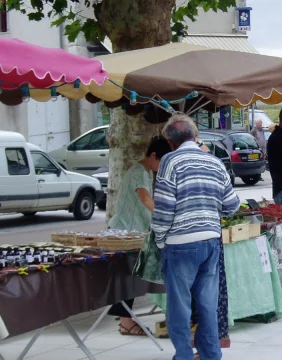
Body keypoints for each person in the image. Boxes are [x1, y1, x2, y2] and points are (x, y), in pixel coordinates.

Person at [152, 114, 240, 360]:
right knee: (207, 305)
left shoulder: (170, 161)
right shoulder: (214, 162)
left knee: (179, 306)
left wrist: (160, 240)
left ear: (170, 142)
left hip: (180, 243)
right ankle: (211, 355)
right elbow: (232, 205)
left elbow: (164, 207)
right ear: (195, 136)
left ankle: (183, 355)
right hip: (211, 242)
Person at [107, 136, 172, 336]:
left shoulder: (146, 172)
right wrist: (165, 217)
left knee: (130, 277)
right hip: (124, 232)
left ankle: (126, 320)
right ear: (153, 155)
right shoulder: (138, 172)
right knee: (128, 278)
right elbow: (145, 199)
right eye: (161, 162)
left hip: (134, 231)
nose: (161, 168)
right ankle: (126, 321)